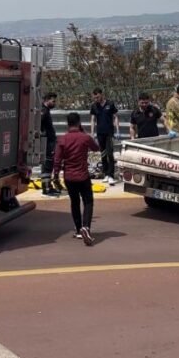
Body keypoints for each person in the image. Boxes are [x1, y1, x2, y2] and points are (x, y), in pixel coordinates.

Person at [53, 112, 100, 246]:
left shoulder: (62, 139)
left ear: (68, 124)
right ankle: (86, 227)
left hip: (69, 177)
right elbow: (96, 148)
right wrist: (83, 132)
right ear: (79, 123)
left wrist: (56, 175)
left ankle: (79, 230)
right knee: (88, 202)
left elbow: (57, 160)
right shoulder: (84, 138)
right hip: (83, 176)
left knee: (74, 202)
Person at [89, 88, 120, 185]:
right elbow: (93, 120)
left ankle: (111, 175)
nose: (96, 99)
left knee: (110, 153)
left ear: (102, 95)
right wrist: (92, 133)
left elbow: (115, 117)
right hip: (100, 133)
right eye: (94, 98)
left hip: (109, 133)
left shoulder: (110, 104)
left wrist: (118, 130)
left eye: (97, 97)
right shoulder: (94, 106)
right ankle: (106, 173)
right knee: (103, 154)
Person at [39, 92, 61, 196]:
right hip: (47, 142)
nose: (54, 103)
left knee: (47, 164)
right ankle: (47, 188)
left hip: (49, 141)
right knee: (48, 164)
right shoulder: (43, 110)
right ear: (47, 100)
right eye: (53, 101)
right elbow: (39, 123)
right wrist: (44, 134)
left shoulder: (45, 110)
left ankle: (47, 186)